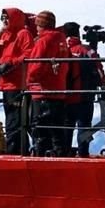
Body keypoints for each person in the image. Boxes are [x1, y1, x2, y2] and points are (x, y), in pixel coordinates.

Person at [0, 7, 35, 154]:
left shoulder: (23, 33)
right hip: (6, 83)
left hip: (17, 84)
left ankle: (15, 151)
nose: (4, 20)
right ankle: (20, 149)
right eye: (2, 18)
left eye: (7, 17)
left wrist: (10, 63)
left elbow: (29, 54)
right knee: (14, 119)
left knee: (15, 121)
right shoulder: (3, 35)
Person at [25, 10, 69, 156]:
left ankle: (40, 158)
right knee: (57, 130)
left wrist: (30, 80)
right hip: (58, 90)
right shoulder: (60, 39)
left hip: (43, 91)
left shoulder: (44, 40)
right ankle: (60, 157)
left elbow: (36, 65)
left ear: (40, 24)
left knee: (40, 130)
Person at [61, 21, 105, 156]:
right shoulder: (87, 50)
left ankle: (64, 154)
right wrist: (103, 85)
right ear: (77, 34)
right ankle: (83, 154)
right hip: (85, 96)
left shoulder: (63, 50)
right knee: (84, 127)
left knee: (65, 128)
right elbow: (99, 70)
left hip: (65, 96)